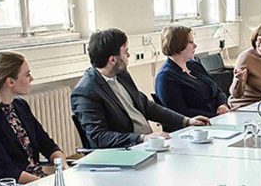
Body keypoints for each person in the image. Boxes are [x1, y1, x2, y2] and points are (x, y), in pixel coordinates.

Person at [71, 28, 210, 149]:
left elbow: (146, 106)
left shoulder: (122, 75)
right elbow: (99, 137)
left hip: (147, 146)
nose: (129, 56)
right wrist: (141, 138)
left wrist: (186, 121)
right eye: (126, 52)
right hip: (125, 153)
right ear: (112, 60)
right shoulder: (86, 92)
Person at [0, 51, 66, 186]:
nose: (31, 78)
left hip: (36, 183)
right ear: (10, 81)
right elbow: (5, 170)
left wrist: (63, 167)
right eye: (27, 74)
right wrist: (45, 183)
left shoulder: (20, 106)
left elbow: (47, 144)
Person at [154, 25, 230, 118]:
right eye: (191, 42)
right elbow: (180, 113)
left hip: (218, 117)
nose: (195, 45)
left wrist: (223, 105)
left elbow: (218, 90)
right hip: (197, 125)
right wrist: (215, 116)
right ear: (178, 44)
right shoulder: (165, 77)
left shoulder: (194, 65)